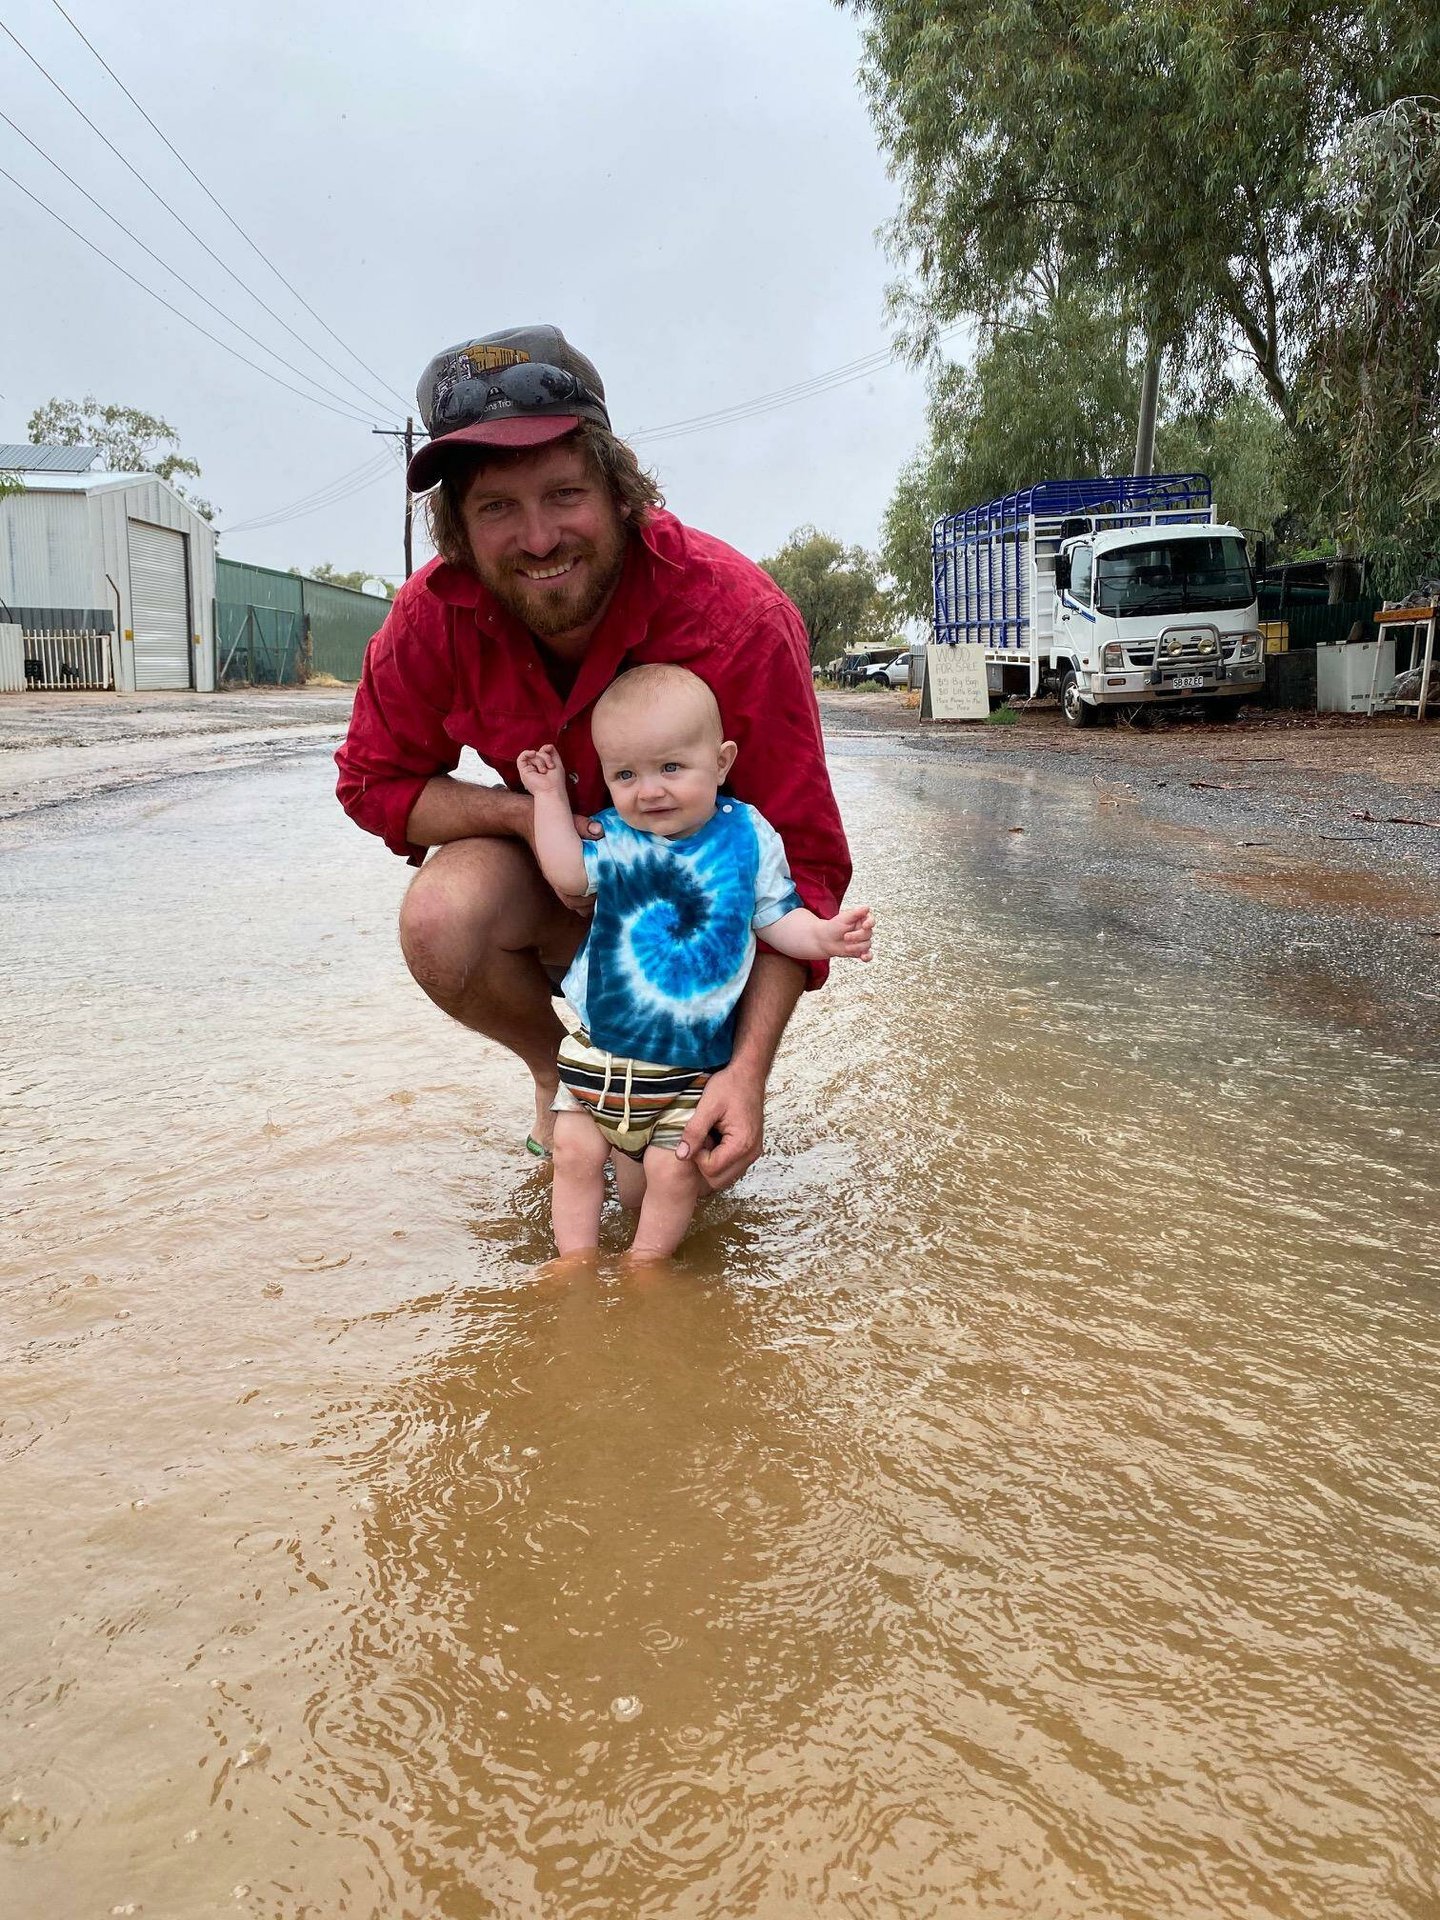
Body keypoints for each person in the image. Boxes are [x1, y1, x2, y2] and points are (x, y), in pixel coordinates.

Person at [335, 325, 852, 1190]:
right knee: (439, 917)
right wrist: (520, 813)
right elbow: (372, 783)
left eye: (563, 494)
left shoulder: (738, 617)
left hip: (699, 922)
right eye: (497, 506)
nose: (538, 539)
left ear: (619, 489)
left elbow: (804, 869)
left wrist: (748, 1076)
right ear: (457, 525)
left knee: (663, 1186)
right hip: (565, 879)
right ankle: (560, 1071)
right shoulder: (430, 617)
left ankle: (690, 1074)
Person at [517, 664, 873, 1260]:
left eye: (671, 769)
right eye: (625, 775)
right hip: (598, 1047)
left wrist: (823, 936)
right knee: (575, 1155)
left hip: (690, 1067)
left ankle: (646, 1268)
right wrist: (549, 798)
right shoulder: (614, 835)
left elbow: (774, 917)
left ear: (723, 762)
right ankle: (572, 1262)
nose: (649, 790)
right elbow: (565, 872)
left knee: (673, 1173)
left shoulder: (748, 835)